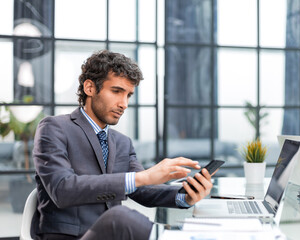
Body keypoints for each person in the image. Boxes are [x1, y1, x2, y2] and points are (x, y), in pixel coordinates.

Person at [31, 50, 214, 240]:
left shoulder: (122, 143)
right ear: (90, 88)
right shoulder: (54, 128)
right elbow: (62, 189)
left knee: (121, 218)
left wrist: (185, 196)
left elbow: (142, 188)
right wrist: (143, 177)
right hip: (71, 236)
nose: (124, 104)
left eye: (128, 95)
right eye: (117, 91)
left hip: (112, 235)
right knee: (119, 217)